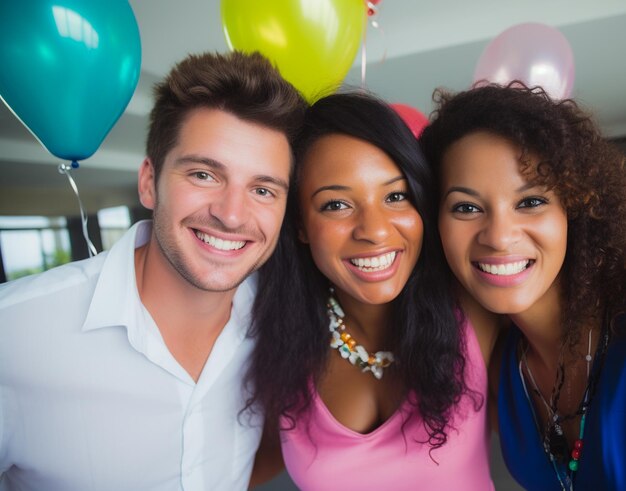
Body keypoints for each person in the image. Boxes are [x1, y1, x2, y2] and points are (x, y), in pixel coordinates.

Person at [0, 51, 306, 490]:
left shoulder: (285, 322)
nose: (233, 215)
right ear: (149, 181)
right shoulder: (13, 333)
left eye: (262, 189)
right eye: (203, 174)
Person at [247, 92, 498, 490]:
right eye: (336, 205)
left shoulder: (477, 310)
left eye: (396, 196)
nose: (375, 230)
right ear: (299, 225)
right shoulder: (279, 338)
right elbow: (239, 467)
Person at [420, 83, 626, 490]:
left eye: (530, 202)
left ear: (577, 207)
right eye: (466, 207)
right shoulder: (502, 371)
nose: (498, 236)